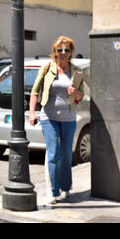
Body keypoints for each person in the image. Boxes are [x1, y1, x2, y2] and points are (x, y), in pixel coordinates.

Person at [28, 36, 84, 204]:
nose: (63, 53)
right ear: (55, 52)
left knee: (67, 154)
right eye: (59, 50)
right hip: (48, 117)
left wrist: (75, 93)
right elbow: (35, 91)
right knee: (53, 153)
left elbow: (81, 96)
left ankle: (66, 188)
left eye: (66, 50)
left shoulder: (76, 71)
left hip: (69, 117)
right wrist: (32, 112)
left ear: (71, 52)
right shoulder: (47, 69)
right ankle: (52, 192)